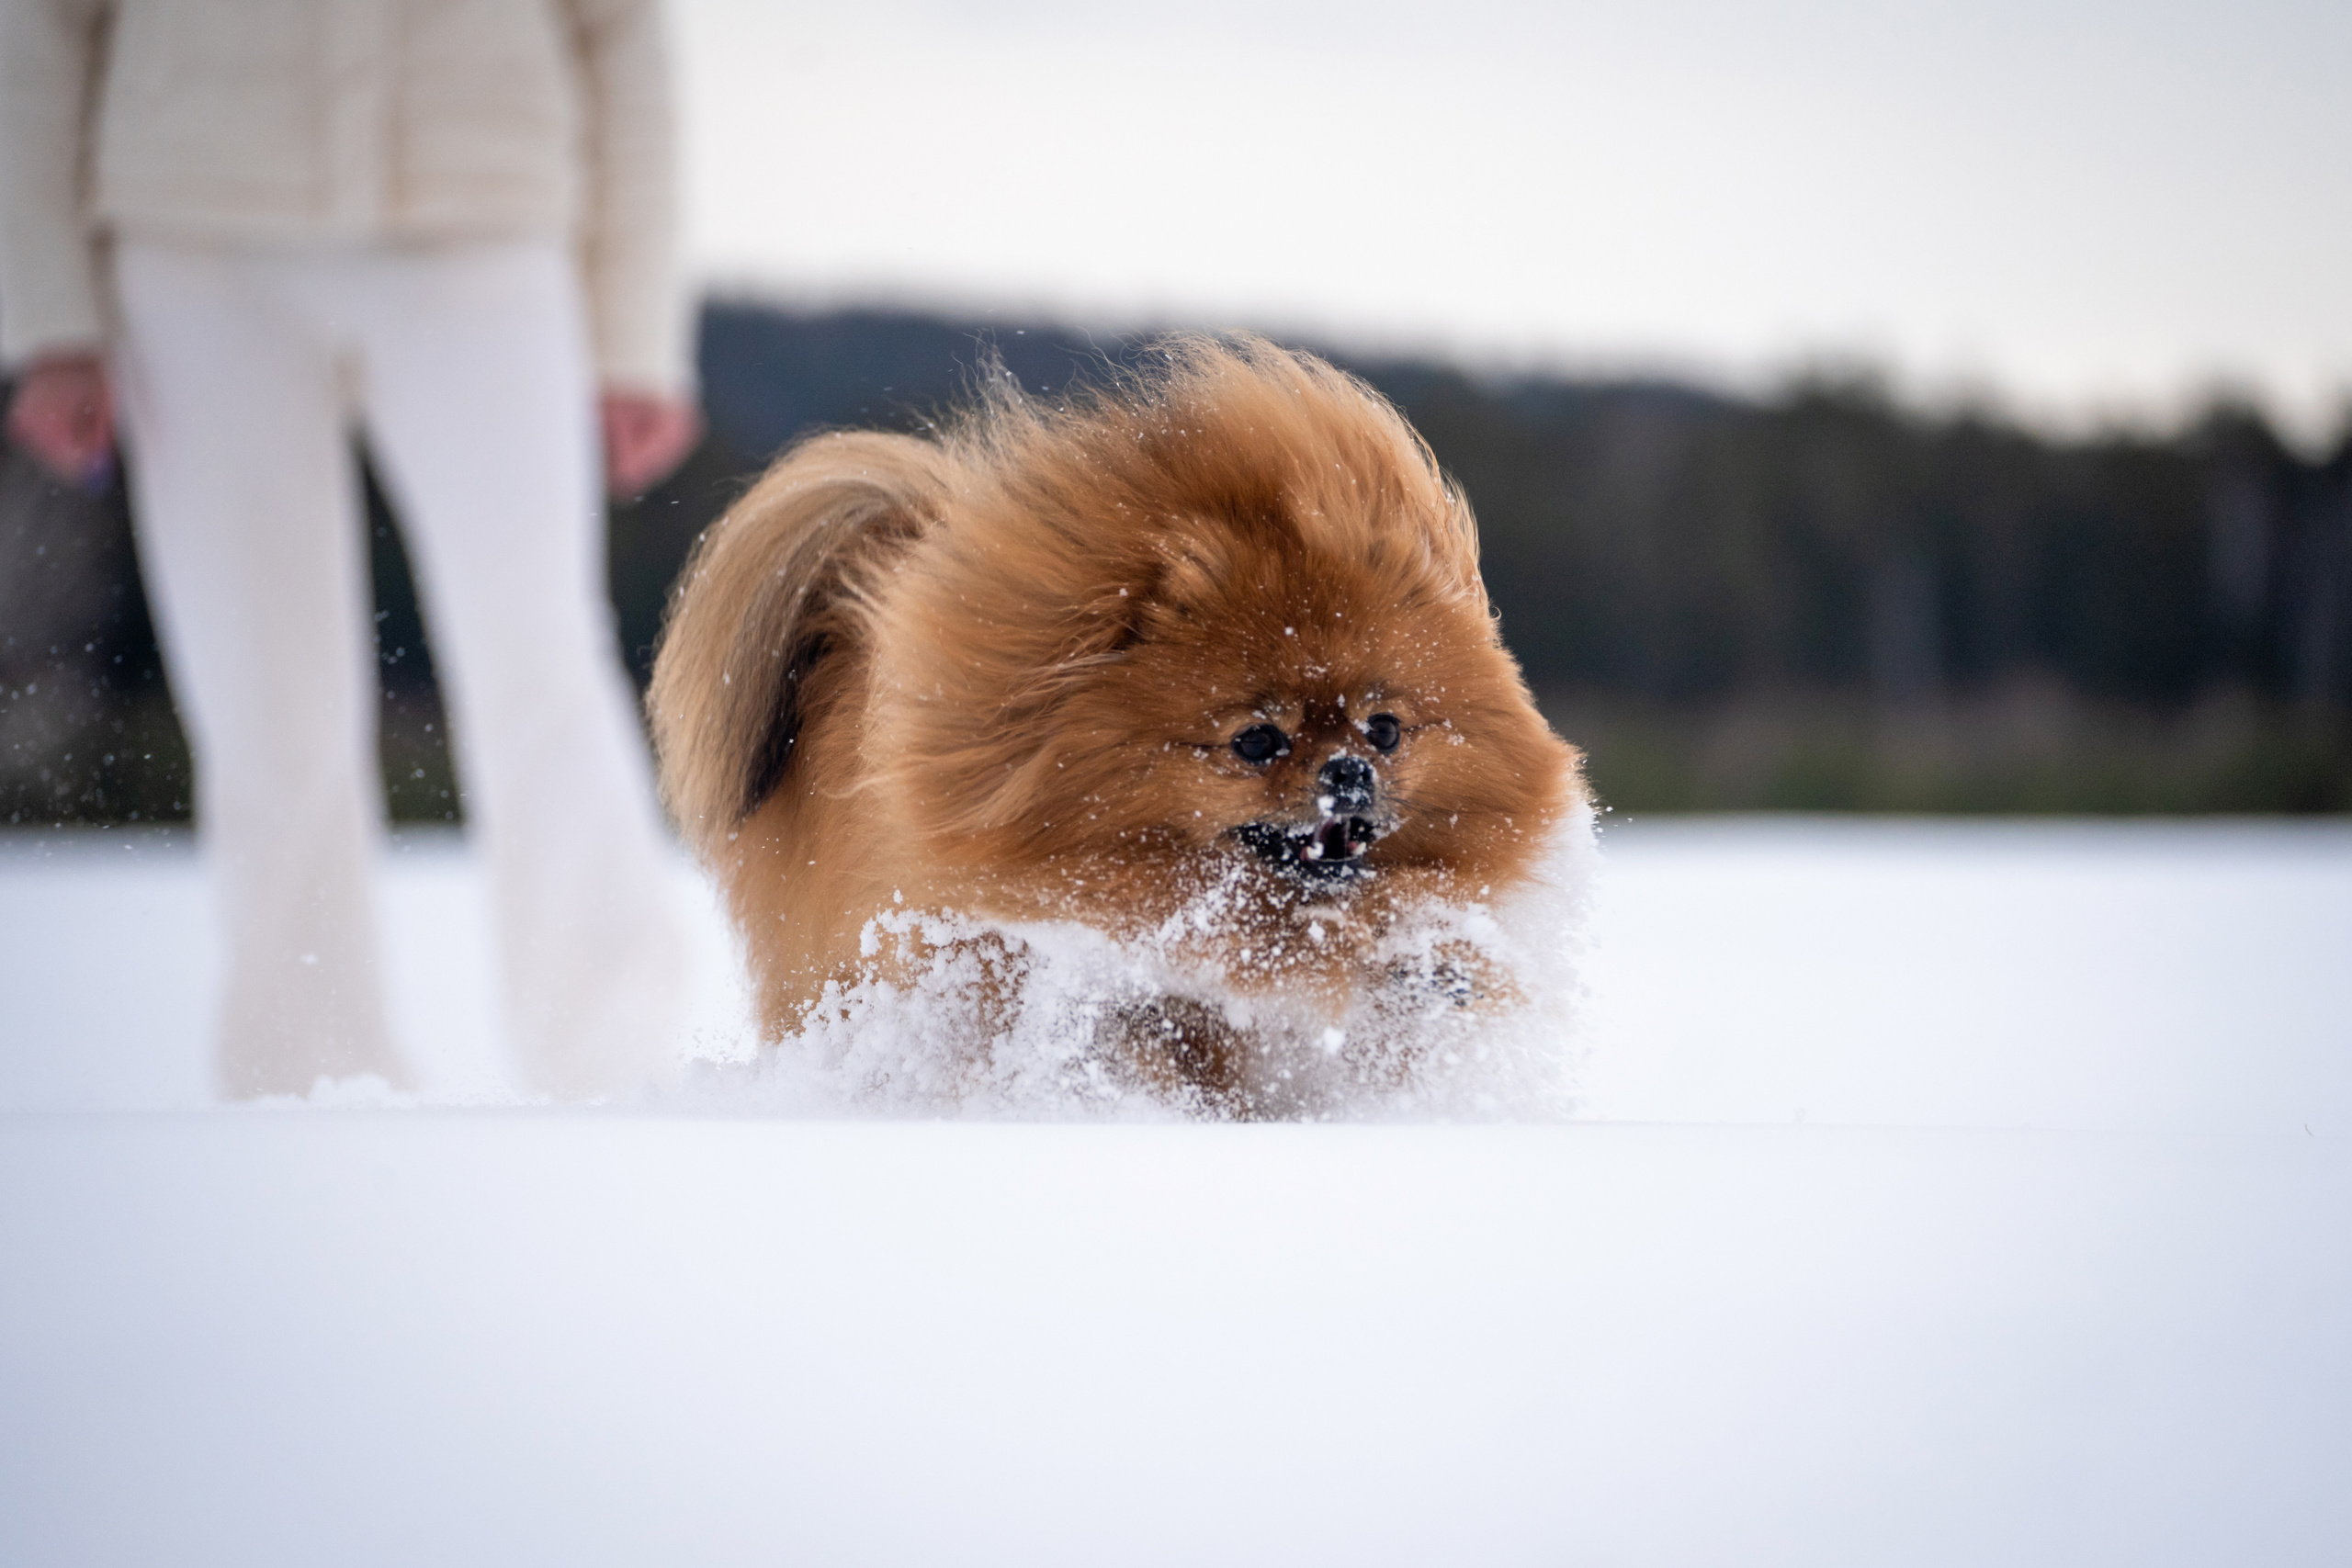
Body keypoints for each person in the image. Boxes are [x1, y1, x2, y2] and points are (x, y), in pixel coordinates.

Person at [0, 0, 698, 1099]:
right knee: (260, 701)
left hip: (485, 225)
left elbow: (621, 34)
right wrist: (48, 315)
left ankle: (617, 1060)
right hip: (193, 243)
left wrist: (634, 333)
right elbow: (43, 26)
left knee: (540, 660)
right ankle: (305, 1077)